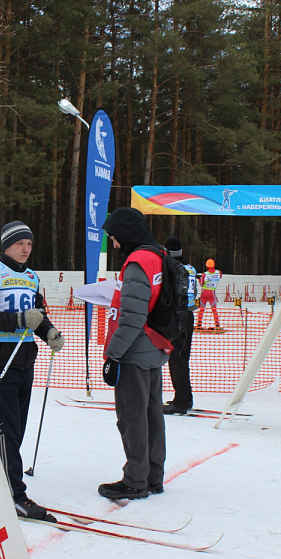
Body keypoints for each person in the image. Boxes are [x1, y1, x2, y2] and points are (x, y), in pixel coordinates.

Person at [0, 220, 64, 522]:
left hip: (25, 359)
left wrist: (48, 331)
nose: (26, 249)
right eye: (20, 243)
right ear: (7, 245)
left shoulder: (32, 276)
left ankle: (2, 476)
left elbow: (38, 315)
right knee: (6, 428)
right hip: (0, 358)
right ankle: (14, 495)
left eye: (30, 244)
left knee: (17, 427)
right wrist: (20, 319)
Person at [99, 208, 170, 501]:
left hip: (134, 350)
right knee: (152, 414)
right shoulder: (159, 255)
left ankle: (135, 479)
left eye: (115, 238)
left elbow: (132, 316)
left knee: (132, 417)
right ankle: (153, 476)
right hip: (154, 346)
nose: (115, 244)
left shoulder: (138, 261)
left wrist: (113, 355)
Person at [162, 237, 196, 416]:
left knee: (177, 360)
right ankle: (184, 397)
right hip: (188, 315)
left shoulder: (172, 268)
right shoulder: (190, 268)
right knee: (181, 358)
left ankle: (182, 401)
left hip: (178, 317)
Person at [197, 258, 222, 330]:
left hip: (204, 292)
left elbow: (202, 284)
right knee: (214, 309)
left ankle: (199, 324)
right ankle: (217, 325)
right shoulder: (219, 272)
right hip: (212, 293)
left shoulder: (205, 274)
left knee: (201, 309)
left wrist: (199, 279)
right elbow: (219, 277)